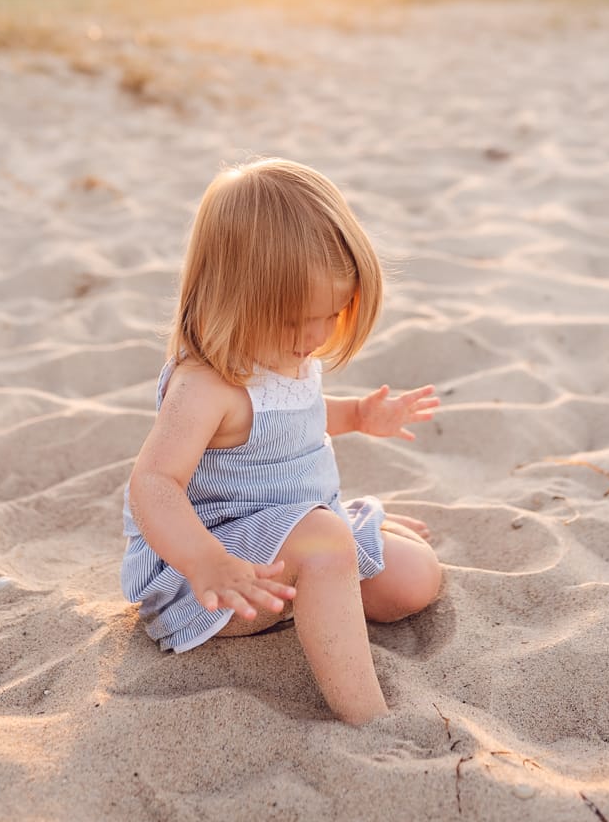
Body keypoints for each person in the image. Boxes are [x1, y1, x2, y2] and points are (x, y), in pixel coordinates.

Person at [120, 158, 442, 724]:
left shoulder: (289, 356)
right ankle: (370, 719)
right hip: (214, 576)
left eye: (332, 314)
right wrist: (205, 562)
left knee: (414, 582)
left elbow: (297, 423)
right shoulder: (206, 386)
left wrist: (361, 415)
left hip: (297, 534)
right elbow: (153, 482)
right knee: (323, 538)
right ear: (234, 297)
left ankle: (335, 556)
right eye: (297, 320)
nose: (316, 336)